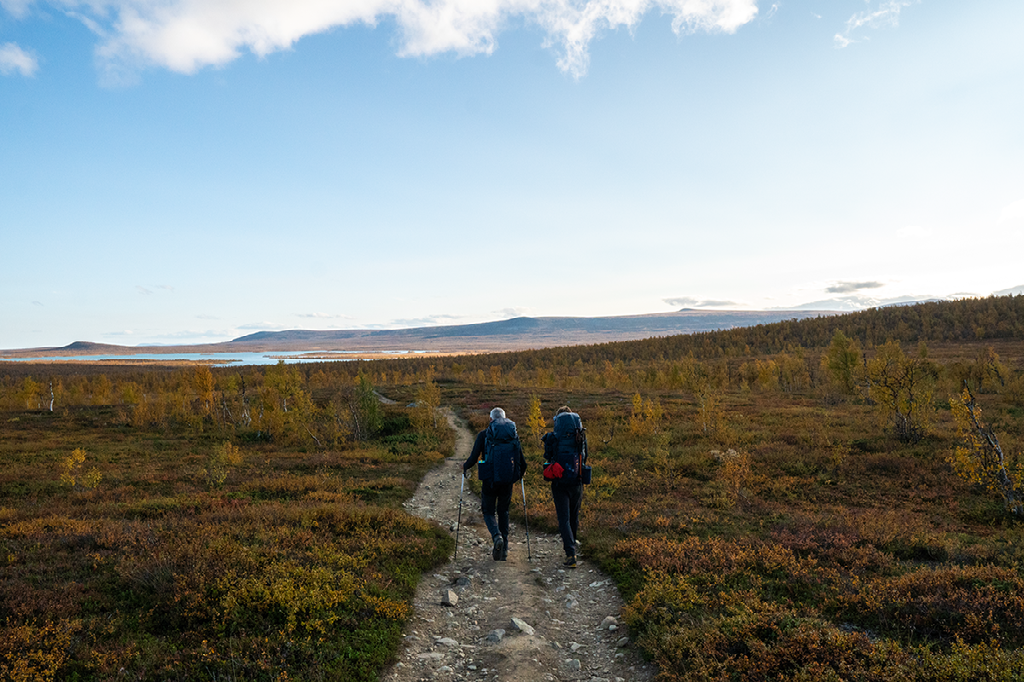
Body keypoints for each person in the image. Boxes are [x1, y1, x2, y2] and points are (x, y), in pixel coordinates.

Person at [463, 407, 527, 561]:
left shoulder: (484, 435)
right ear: (505, 419)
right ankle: (503, 550)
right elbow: (522, 463)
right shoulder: (513, 436)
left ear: (490, 419)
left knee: (488, 511)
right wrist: (516, 476)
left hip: (489, 480)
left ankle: (496, 536)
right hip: (507, 481)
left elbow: (473, 458)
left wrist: (465, 466)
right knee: (503, 511)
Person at [542, 406, 588, 568]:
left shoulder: (553, 437)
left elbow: (547, 456)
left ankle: (570, 553)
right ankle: (572, 546)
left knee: (563, 519)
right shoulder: (580, 436)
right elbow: (585, 455)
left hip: (559, 482)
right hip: (577, 480)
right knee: (573, 516)